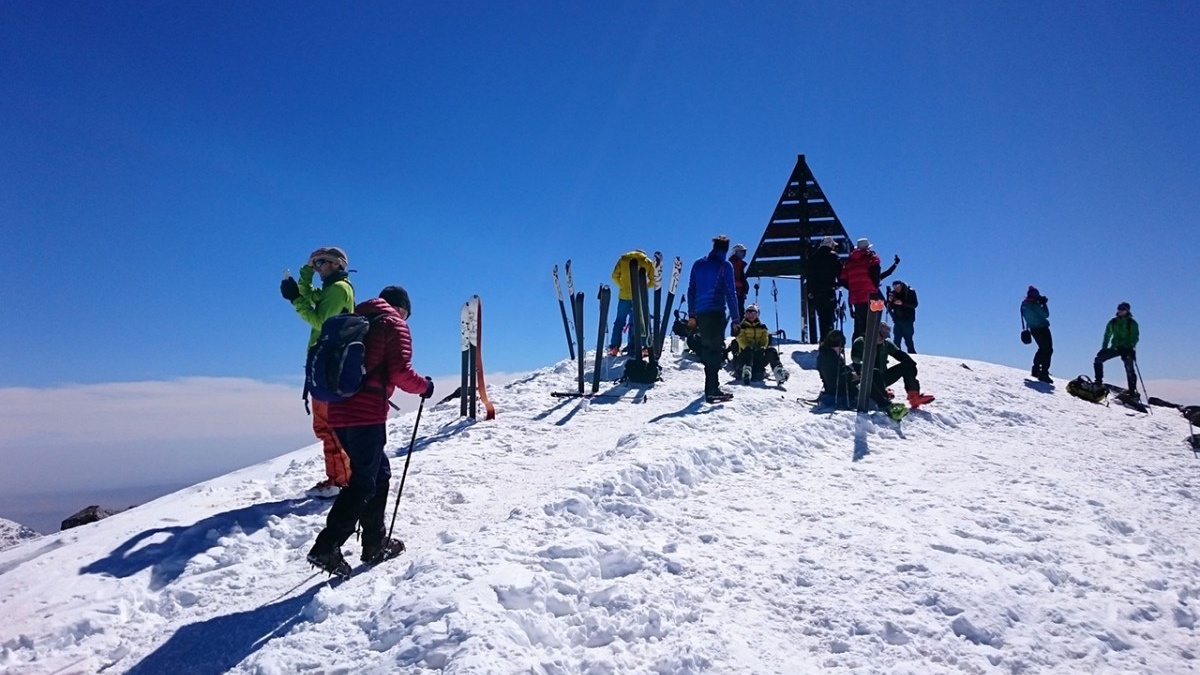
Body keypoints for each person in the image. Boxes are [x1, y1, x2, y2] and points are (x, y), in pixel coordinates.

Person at [306, 286, 435, 578]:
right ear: (402, 308)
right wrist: (425, 387)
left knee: (378, 474)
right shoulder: (393, 324)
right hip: (366, 415)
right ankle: (327, 546)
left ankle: (374, 542)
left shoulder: (356, 320)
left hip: (338, 412)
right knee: (364, 482)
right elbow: (401, 372)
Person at [280, 246, 355, 499]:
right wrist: (305, 273)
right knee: (327, 425)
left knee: (327, 426)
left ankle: (339, 481)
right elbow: (310, 295)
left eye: (321, 262)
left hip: (328, 367)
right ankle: (341, 477)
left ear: (336, 264)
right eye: (316, 263)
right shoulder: (332, 288)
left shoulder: (338, 289)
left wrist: (295, 300)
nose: (318, 267)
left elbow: (320, 322)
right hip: (326, 365)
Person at [687, 235, 741, 403]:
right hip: (716, 311)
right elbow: (730, 293)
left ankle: (711, 388)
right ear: (726, 249)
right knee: (716, 350)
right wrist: (736, 319)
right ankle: (712, 390)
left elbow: (691, 290)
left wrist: (691, 314)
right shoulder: (725, 265)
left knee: (708, 348)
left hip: (701, 313)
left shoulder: (698, 264)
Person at [852, 322, 935, 413]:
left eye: (885, 336)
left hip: (882, 377)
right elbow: (856, 359)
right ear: (874, 332)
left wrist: (910, 363)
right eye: (882, 335)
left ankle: (914, 397)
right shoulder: (861, 342)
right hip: (866, 378)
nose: (883, 338)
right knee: (874, 372)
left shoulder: (886, 344)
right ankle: (881, 394)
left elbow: (902, 356)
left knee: (908, 365)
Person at [840, 238, 899, 339]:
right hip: (871, 296)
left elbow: (842, 280)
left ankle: (857, 345)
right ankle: (870, 345)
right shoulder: (871, 258)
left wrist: (853, 288)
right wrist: (874, 285)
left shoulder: (849, 262)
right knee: (872, 325)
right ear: (867, 247)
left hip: (856, 297)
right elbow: (877, 274)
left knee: (858, 326)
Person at [608, 250, 657, 356]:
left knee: (619, 321)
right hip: (639, 296)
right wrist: (644, 287)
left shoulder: (623, 260)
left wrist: (622, 285)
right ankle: (643, 346)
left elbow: (614, 276)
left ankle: (614, 347)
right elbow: (654, 280)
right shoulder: (647, 262)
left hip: (624, 296)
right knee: (641, 321)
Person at [732, 304, 789, 384]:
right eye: (748, 313)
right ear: (745, 314)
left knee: (771, 350)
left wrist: (762, 347)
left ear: (757, 314)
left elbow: (765, 339)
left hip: (758, 356)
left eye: (753, 313)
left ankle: (779, 372)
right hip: (744, 356)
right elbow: (741, 339)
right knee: (748, 350)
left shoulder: (762, 327)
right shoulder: (741, 327)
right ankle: (746, 371)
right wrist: (747, 347)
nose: (751, 316)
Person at [1094, 301, 1140, 396]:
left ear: (1127, 311)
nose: (1120, 310)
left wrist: (1130, 347)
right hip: (1115, 347)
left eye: (1123, 309)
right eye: (1119, 308)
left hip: (1127, 349)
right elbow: (1107, 335)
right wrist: (1104, 348)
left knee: (1129, 368)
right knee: (1098, 360)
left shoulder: (1132, 323)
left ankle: (1132, 391)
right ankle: (1098, 381)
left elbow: (1135, 337)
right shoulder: (1113, 322)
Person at [806, 237, 843, 341]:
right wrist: (839, 284)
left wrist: (811, 290)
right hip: (829, 290)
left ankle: (823, 339)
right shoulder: (833, 256)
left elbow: (809, 275)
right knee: (829, 316)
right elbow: (840, 271)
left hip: (816, 292)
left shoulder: (814, 257)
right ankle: (830, 340)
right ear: (831, 245)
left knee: (821, 316)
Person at [816, 329, 860, 409]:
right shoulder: (827, 357)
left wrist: (852, 373)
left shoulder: (833, 356)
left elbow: (842, 370)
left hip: (840, 389)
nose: (842, 349)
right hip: (836, 393)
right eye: (841, 346)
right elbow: (833, 379)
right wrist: (851, 376)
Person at [1020, 286, 1053, 383]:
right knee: (1048, 350)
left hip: (1033, 329)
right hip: (1042, 328)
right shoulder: (1034, 305)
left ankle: (1036, 369)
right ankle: (1044, 373)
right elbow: (1046, 314)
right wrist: (1044, 304)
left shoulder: (1024, 304)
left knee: (1042, 349)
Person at [887, 280, 919, 354]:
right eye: (894, 287)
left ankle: (912, 354)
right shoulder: (893, 293)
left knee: (908, 338)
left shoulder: (910, 291)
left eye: (897, 287)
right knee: (897, 338)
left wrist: (902, 303)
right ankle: (896, 354)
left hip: (908, 319)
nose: (896, 289)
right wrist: (890, 301)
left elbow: (915, 304)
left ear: (901, 285)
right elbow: (890, 308)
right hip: (897, 319)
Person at [730, 243, 750, 320]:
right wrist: (742, 285)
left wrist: (744, 288)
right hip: (735, 292)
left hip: (739, 292)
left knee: (740, 313)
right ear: (736, 252)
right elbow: (731, 279)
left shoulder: (739, 264)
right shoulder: (732, 264)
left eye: (744, 252)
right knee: (739, 314)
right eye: (742, 251)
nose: (744, 253)